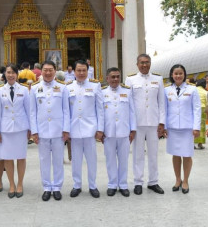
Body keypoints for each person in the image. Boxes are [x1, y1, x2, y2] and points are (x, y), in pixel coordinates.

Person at [125, 53, 166, 195]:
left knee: (153, 153)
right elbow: (129, 104)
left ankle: (153, 182)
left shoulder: (158, 79)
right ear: (137, 64)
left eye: (147, 62)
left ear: (150, 63)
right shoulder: (130, 79)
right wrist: (130, 125)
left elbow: (162, 102)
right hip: (137, 123)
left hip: (154, 122)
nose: (144, 65)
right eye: (142, 62)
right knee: (138, 153)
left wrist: (162, 122)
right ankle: (138, 182)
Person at [30, 60, 70, 201]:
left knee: (58, 160)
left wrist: (66, 129)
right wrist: (34, 131)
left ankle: (57, 187)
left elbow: (66, 110)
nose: (47, 72)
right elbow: (32, 112)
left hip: (58, 131)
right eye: (45, 70)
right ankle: (47, 187)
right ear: (41, 71)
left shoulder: (63, 87)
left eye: (50, 70)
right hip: (42, 131)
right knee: (44, 160)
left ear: (55, 71)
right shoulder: (35, 88)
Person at [66, 60, 104, 198]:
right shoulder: (68, 87)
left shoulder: (95, 86)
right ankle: (77, 185)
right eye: (79, 70)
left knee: (91, 159)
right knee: (76, 159)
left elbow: (100, 109)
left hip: (90, 129)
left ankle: (93, 185)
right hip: (74, 129)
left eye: (84, 70)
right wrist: (66, 129)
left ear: (88, 71)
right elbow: (66, 111)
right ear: (74, 72)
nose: (81, 73)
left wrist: (100, 129)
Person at [164, 64, 201, 194]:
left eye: (180, 73)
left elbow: (197, 109)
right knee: (175, 154)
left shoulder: (192, 90)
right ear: (172, 75)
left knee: (187, 154)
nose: (178, 76)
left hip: (187, 128)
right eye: (176, 73)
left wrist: (196, 127)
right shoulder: (166, 90)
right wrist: (164, 126)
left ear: (184, 75)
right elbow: (164, 109)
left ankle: (186, 180)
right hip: (172, 127)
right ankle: (178, 179)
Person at [0, 64, 30, 198]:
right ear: (5, 75)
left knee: (21, 157)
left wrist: (30, 129)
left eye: (13, 72)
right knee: (8, 158)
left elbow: (28, 110)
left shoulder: (24, 90)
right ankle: (11, 184)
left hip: (21, 128)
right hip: (5, 129)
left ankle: (20, 183)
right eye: (8, 72)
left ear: (17, 74)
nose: (11, 75)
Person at [102, 67, 136, 197]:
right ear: (107, 79)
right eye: (113, 77)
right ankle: (112, 184)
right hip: (108, 132)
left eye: (117, 76)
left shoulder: (127, 92)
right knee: (110, 159)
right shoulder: (102, 92)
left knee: (123, 159)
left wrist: (133, 130)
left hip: (124, 131)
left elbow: (132, 111)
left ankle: (123, 184)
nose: (115, 79)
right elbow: (100, 113)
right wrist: (100, 130)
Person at [194, 79, 207, 149]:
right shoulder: (205, 92)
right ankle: (200, 144)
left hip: (194, 109)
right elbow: (207, 102)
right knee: (202, 127)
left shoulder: (194, 90)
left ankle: (192, 143)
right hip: (202, 109)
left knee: (194, 126)